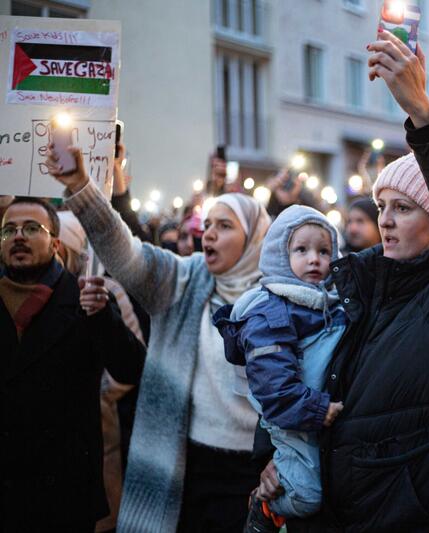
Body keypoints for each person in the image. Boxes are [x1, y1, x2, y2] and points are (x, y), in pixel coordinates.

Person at [261, 31, 429, 531]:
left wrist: (423, 112)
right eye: (382, 208)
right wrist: (289, 462)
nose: (387, 220)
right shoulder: (366, 287)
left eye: (404, 208)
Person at [46, 149, 271, 533]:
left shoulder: (282, 300)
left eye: (226, 226)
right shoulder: (185, 278)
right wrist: (80, 187)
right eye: (208, 223)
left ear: (255, 238)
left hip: (255, 474)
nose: (209, 233)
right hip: (184, 464)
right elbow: (125, 252)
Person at [1, 197, 146, 532]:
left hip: (62, 487)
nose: (18, 236)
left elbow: (132, 369)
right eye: (8, 230)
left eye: (31, 228)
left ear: (55, 243)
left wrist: (101, 317)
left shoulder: (84, 298)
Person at [215, 206, 347, 529]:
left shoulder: (329, 301)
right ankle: (264, 510)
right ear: (279, 254)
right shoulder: (270, 311)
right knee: (307, 493)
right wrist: (318, 409)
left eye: (324, 250)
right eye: (301, 249)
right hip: (293, 419)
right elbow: (274, 385)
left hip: (310, 415)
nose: (314, 259)